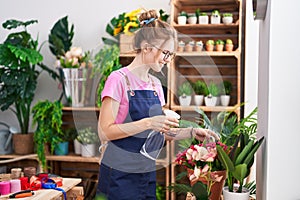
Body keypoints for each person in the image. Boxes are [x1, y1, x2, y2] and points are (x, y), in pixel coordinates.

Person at [97, 9, 218, 200]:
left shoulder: (155, 85)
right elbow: (105, 132)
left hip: (145, 173)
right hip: (119, 174)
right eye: (166, 53)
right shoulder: (118, 80)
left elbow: (159, 132)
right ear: (146, 47)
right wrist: (148, 122)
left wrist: (192, 132)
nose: (168, 60)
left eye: (171, 54)